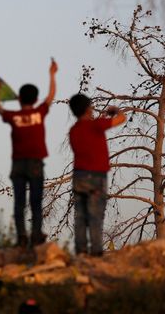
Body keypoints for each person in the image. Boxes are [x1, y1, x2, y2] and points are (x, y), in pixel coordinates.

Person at [0, 59, 57, 247]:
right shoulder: (40, 112)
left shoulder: (14, 116)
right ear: (36, 100)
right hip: (36, 163)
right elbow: (51, 96)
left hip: (18, 164)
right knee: (36, 201)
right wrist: (52, 74)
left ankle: (21, 237)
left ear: (19, 99)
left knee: (19, 203)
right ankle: (36, 234)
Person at [67, 93, 125, 256]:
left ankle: (81, 250)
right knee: (95, 214)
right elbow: (121, 119)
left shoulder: (73, 130)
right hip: (97, 176)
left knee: (80, 215)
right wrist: (115, 110)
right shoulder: (96, 125)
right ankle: (96, 251)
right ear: (87, 108)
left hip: (79, 175)